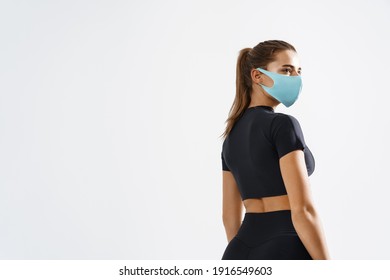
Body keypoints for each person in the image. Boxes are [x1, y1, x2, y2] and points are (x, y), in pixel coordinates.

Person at [220, 40, 330, 260]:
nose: (295, 79)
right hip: (284, 243)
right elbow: (303, 211)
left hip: (240, 249)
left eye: (298, 72)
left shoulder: (230, 137)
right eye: (286, 71)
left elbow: (229, 217)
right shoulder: (283, 125)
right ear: (257, 76)